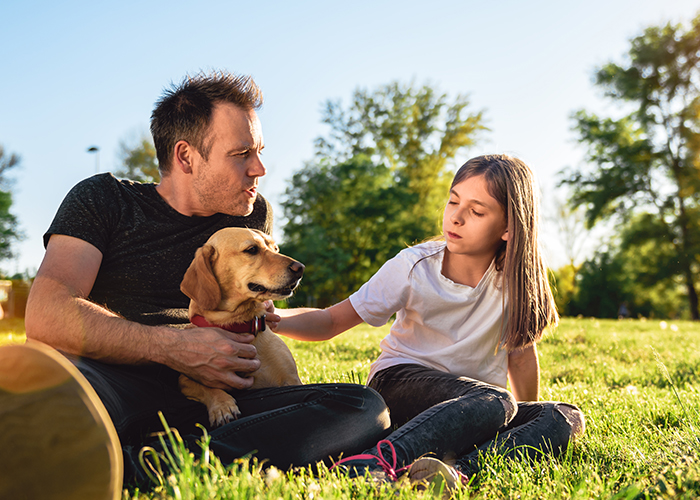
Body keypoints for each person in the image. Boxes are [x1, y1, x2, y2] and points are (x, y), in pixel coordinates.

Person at [3, 71, 475, 497]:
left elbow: (264, 316)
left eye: (259, 153)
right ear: (186, 157)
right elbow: (46, 315)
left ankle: (140, 467)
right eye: (241, 154)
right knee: (37, 396)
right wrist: (172, 348)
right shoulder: (104, 199)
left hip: (231, 393)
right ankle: (138, 454)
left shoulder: (252, 217)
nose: (259, 169)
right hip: (119, 379)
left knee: (361, 406)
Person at [275, 154, 586, 474]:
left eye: (476, 211)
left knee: (562, 415)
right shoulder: (413, 267)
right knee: (497, 401)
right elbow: (331, 321)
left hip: (477, 407)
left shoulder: (514, 283)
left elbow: (520, 357)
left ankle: (457, 473)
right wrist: (270, 319)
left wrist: (519, 417)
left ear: (508, 227)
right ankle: (375, 463)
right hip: (400, 385)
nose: (457, 217)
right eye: (453, 202)